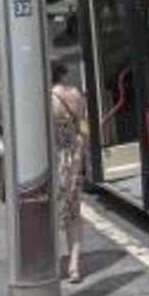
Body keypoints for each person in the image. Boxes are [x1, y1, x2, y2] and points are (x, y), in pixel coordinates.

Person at [50, 60, 89, 284]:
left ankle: (54, 264)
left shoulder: (45, 97)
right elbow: (83, 126)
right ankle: (74, 265)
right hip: (72, 159)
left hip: (52, 161)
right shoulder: (75, 94)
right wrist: (80, 149)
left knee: (52, 214)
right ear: (63, 73)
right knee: (73, 213)